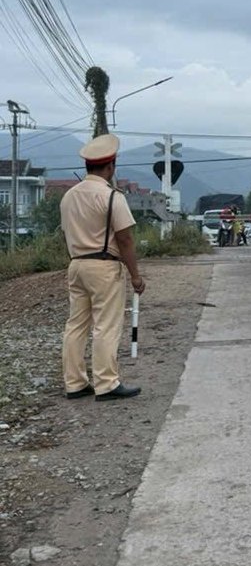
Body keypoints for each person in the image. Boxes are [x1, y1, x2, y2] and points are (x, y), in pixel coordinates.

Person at [59, 134, 146, 401]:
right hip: (103, 266)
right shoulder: (111, 197)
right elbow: (125, 239)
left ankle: (74, 383)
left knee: (76, 325)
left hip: (76, 265)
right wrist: (135, 276)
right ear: (110, 166)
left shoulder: (68, 197)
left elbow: (66, 232)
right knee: (106, 325)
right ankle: (106, 383)